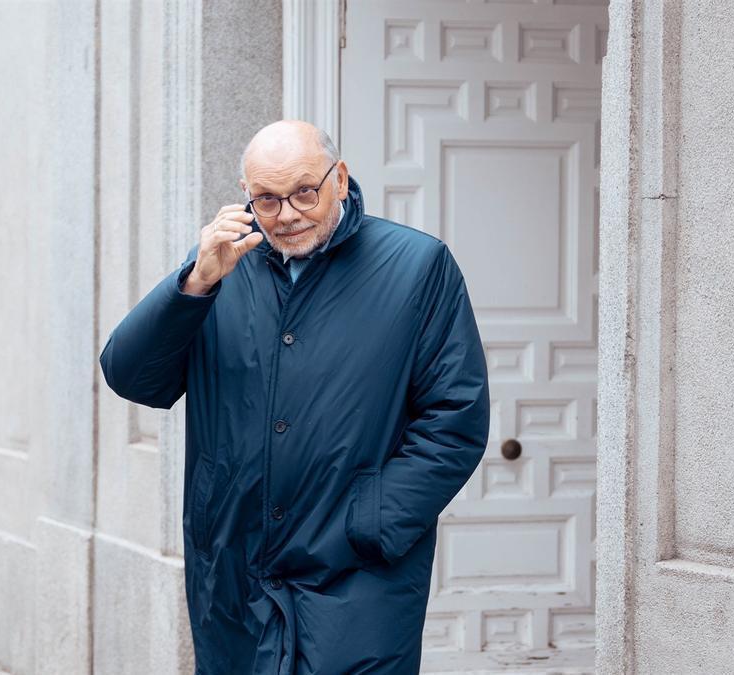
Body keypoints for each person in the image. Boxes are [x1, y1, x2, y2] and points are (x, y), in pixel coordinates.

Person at [98, 120, 490, 674]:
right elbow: (131, 376)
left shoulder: (418, 267)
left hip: (356, 569)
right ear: (245, 196)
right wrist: (193, 284)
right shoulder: (220, 267)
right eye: (266, 199)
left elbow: (455, 417)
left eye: (305, 191)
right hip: (236, 562)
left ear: (340, 177)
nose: (287, 214)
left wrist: (374, 520)